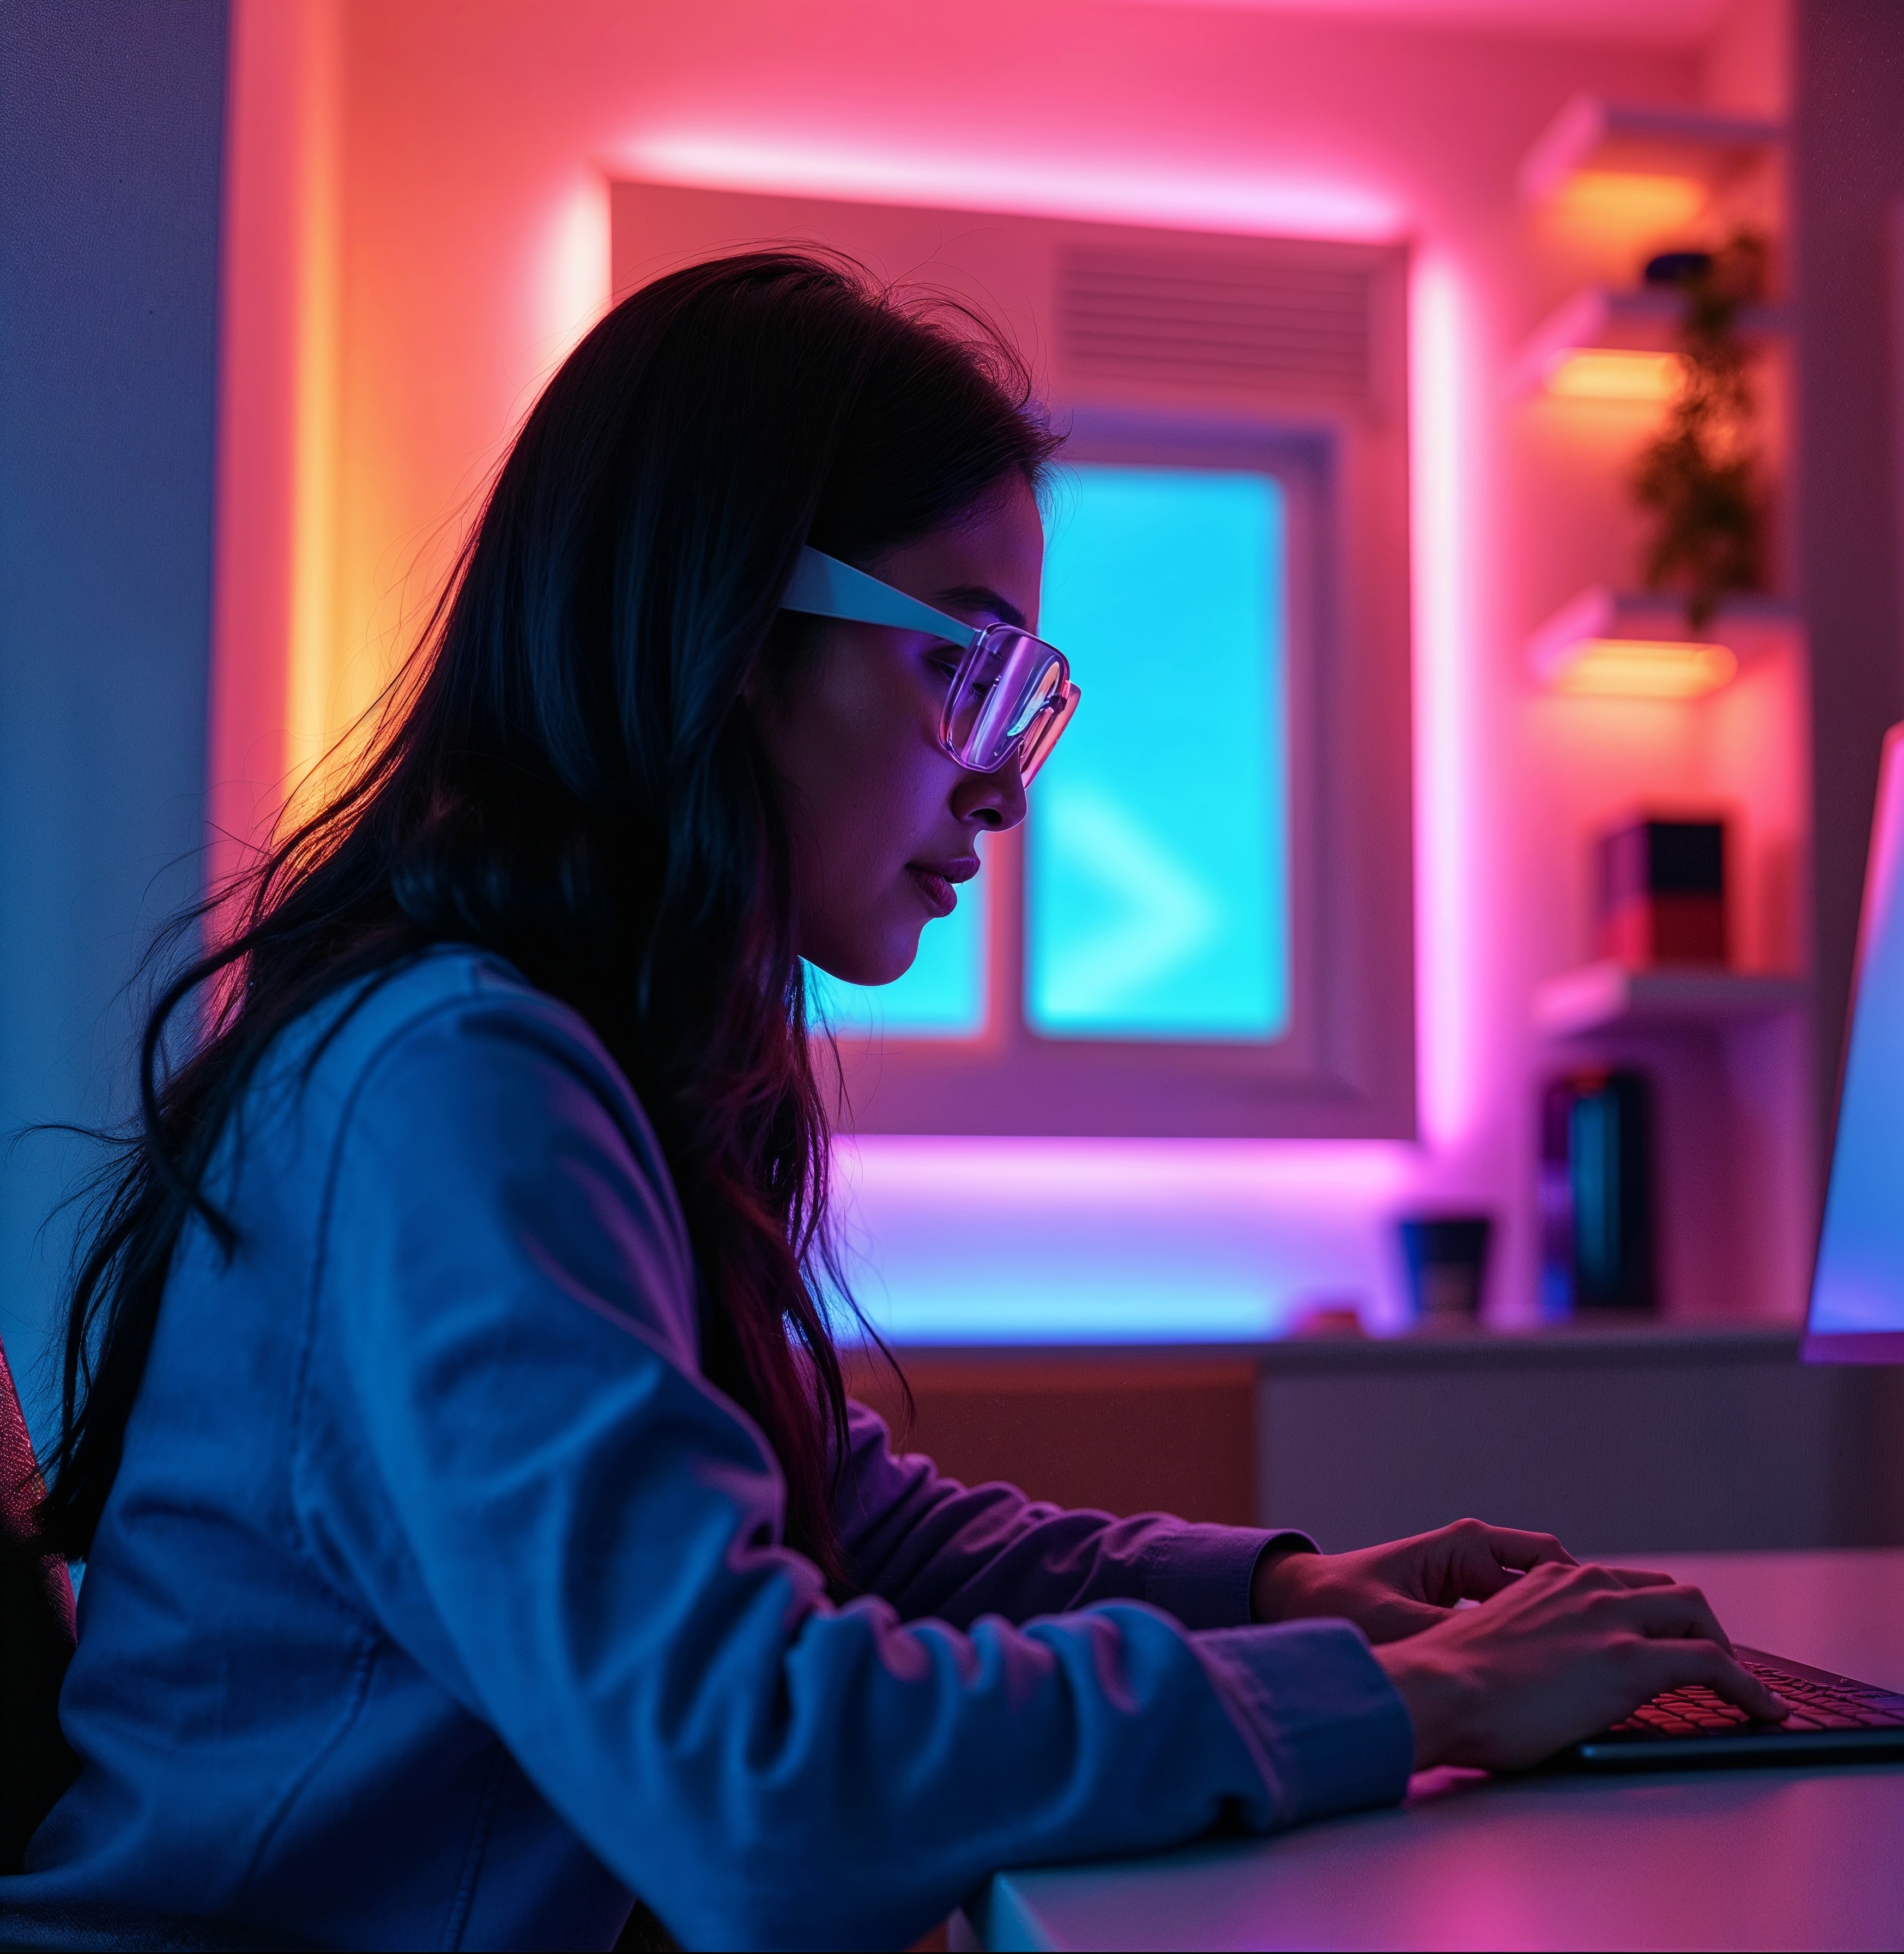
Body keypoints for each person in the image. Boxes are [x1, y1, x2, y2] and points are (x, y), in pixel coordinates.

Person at [13, 251, 1783, 1950]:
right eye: (965, 669)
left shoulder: (554, 1054)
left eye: (1027, 702)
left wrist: (1279, 1594)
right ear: (730, 633)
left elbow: (832, 1515)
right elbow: (756, 1778)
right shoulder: (449, 1086)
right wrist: (1411, 1692)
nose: (1003, 788)